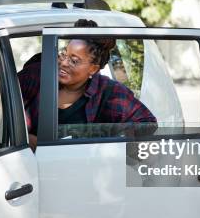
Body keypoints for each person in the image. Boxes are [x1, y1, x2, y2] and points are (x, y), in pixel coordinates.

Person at [18, 19, 156, 150]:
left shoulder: (109, 93)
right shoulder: (38, 74)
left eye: (74, 60)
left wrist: (109, 146)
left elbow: (147, 125)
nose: (64, 63)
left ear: (93, 69)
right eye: (65, 54)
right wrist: (25, 139)